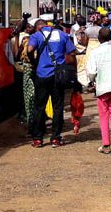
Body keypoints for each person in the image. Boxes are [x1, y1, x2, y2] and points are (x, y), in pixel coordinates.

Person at [27, 19, 76, 147]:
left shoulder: (36, 35)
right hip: (58, 75)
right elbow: (72, 53)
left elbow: (29, 49)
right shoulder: (62, 34)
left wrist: (34, 62)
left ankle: (38, 139)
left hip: (41, 75)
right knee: (58, 106)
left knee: (39, 107)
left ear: (38, 27)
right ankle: (56, 138)